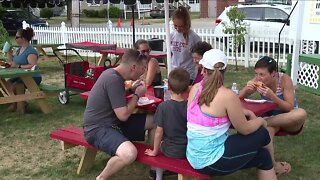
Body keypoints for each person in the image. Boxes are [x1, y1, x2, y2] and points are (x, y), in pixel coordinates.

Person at [186, 49, 277, 179]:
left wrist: (243, 112)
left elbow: (208, 115)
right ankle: (276, 165)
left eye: (202, 68)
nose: (201, 71)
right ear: (224, 70)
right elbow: (245, 129)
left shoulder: (195, 88)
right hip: (212, 160)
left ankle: (273, 164)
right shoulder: (227, 96)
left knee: (263, 156)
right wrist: (261, 121)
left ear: (205, 70)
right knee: (263, 133)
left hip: (194, 156)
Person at [83, 49, 156, 180]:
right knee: (129, 154)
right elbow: (123, 115)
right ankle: (101, 178)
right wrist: (137, 94)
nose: (143, 71)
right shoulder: (113, 79)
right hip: (98, 129)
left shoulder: (112, 74)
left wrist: (131, 89)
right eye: (143, 68)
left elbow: (115, 97)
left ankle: (155, 167)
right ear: (133, 67)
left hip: (114, 123)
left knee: (156, 120)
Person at [239, 56, 307, 176]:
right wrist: (247, 89)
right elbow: (239, 97)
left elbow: (290, 107)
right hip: (272, 119)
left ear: (273, 74)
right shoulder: (258, 80)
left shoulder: (285, 80)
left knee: (301, 113)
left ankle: (262, 121)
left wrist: (273, 97)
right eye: (256, 74)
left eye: (262, 74)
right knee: (267, 131)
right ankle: (274, 166)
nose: (258, 77)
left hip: (288, 119)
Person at [145, 68, 190, 158]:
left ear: (168, 86)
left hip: (170, 150)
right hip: (188, 150)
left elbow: (159, 132)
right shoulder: (190, 107)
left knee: (162, 142)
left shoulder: (163, 107)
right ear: (187, 88)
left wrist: (154, 151)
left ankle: (158, 171)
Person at [6, 27, 41, 111]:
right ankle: (19, 102)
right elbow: (12, 62)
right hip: (21, 75)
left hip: (32, 76)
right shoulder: (19, 49)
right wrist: (9, 52)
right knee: (7, 83)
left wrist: (19, 66)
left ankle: (19, 105)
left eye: (17, 37)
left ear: (23, 38)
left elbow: (32, 65)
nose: (15, 39)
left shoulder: (31, 51)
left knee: (16, 85)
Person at [171, 6, 201, 84]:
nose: (177, 29)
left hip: (188, 75)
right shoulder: (171, 35)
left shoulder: (194, 38)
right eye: (175, 26)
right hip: (174, 74)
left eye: (181, 26)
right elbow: (168, 54)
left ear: (187, 23)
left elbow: (199, 59)